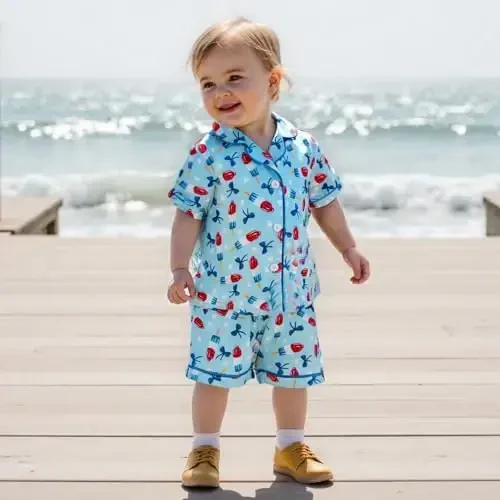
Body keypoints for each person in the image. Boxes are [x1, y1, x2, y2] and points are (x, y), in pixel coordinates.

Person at [167, 17, 370, 489]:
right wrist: (179, 267)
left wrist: (348, 247)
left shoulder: (301, 148)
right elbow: (188, 214)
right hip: (224, 294)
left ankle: (291, 446)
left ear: (273, 81)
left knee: (293, 374)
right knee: (214, 375)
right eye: (208, 83)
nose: (221, 92)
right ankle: (204, 449)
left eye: (235, 78)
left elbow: (325, 202)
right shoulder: (209, 153)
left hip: (290, 292)